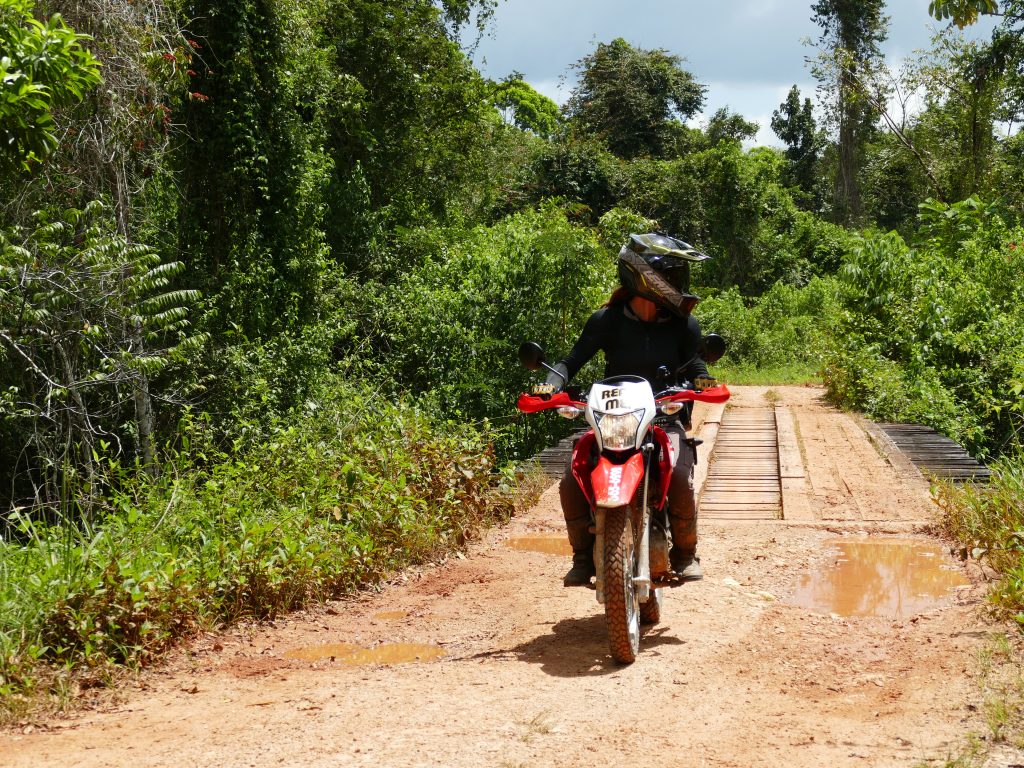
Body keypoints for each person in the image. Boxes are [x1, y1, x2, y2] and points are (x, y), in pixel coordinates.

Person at [544, 232, 714, 587]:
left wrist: (703, 384)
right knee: (570, 477)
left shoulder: (684, 326)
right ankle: (581, 555)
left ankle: (685, 553)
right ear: (646, 278)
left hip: (664, 417)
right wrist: (552, 383)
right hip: (615, 417)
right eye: (672, 275)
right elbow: (570, 361)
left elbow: (698, 367)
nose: (678, 283)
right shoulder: (606, 320)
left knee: (680, 477)